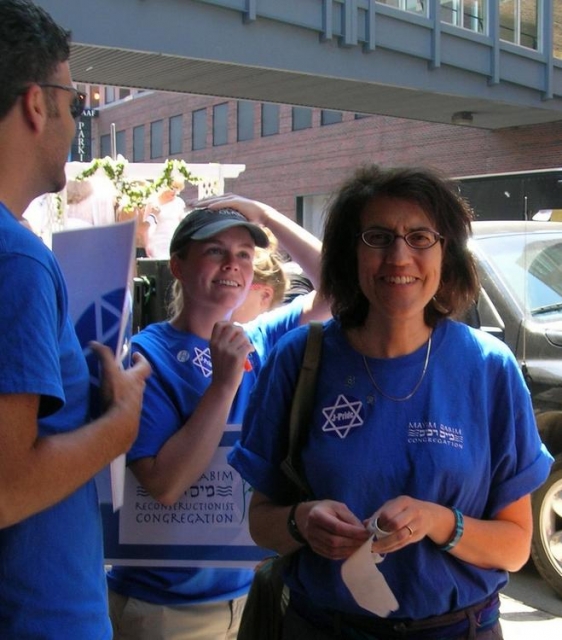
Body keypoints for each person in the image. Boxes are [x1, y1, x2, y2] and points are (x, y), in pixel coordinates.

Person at [228, 164, 554, 640]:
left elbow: (516, 546)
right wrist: (301, 522)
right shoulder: (299, 360)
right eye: (378, 237)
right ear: (349, 254)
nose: (399, 257)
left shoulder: (488, 368)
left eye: (420, 237)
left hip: (459, 630)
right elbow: (261, 523)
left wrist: (439, 521)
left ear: (446, 253)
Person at [107, 195, 332, 640]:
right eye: (215, 251)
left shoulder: (261, 335)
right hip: (165, 609)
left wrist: (266, 216)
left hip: (250, 597)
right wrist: (224, 384)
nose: (233, 264)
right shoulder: (144, 355)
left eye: (244, 255)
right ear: (177, 266)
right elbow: (164, 484)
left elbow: (342, 288)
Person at [0, 2, 152, 638]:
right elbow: (7, 488)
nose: (75, 118)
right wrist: (119, 424)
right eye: (75, 101)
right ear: (38, 104)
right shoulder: (17, 262)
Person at [141, 174, 187, 259]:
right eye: (172, 188)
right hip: (157, 242)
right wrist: (147, 245)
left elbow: (183, 224)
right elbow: (146, 227)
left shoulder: (179, 202)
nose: (174, 192)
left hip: (174, 241)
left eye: (177, 189)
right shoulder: (153, 203)